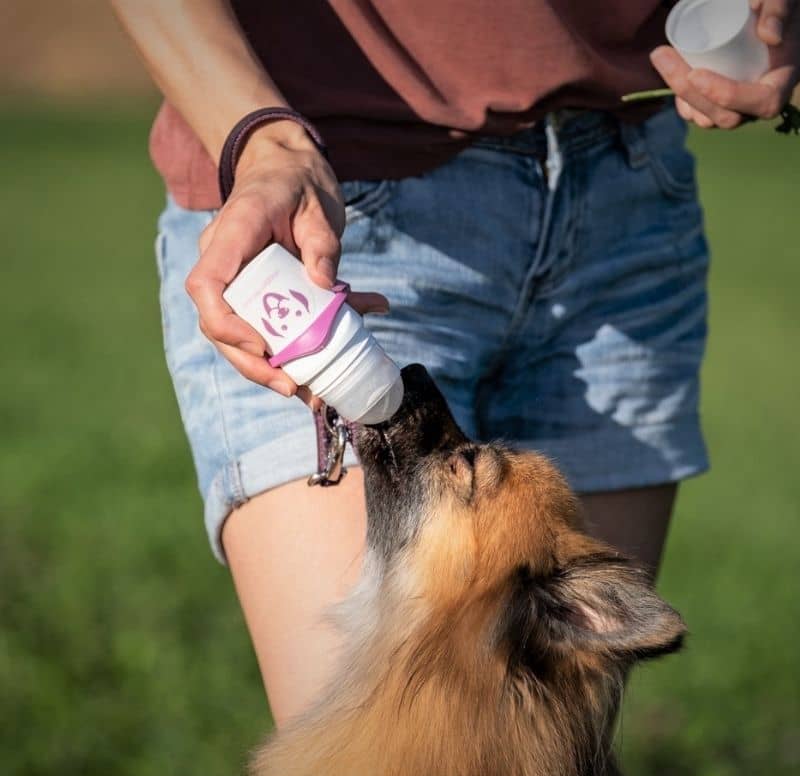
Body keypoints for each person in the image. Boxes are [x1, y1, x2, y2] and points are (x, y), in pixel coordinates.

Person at [112, 0, 799, 727]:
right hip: (326, 203)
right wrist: (262, 142)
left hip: (629, 194)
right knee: (374, 756)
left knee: (547, 745)